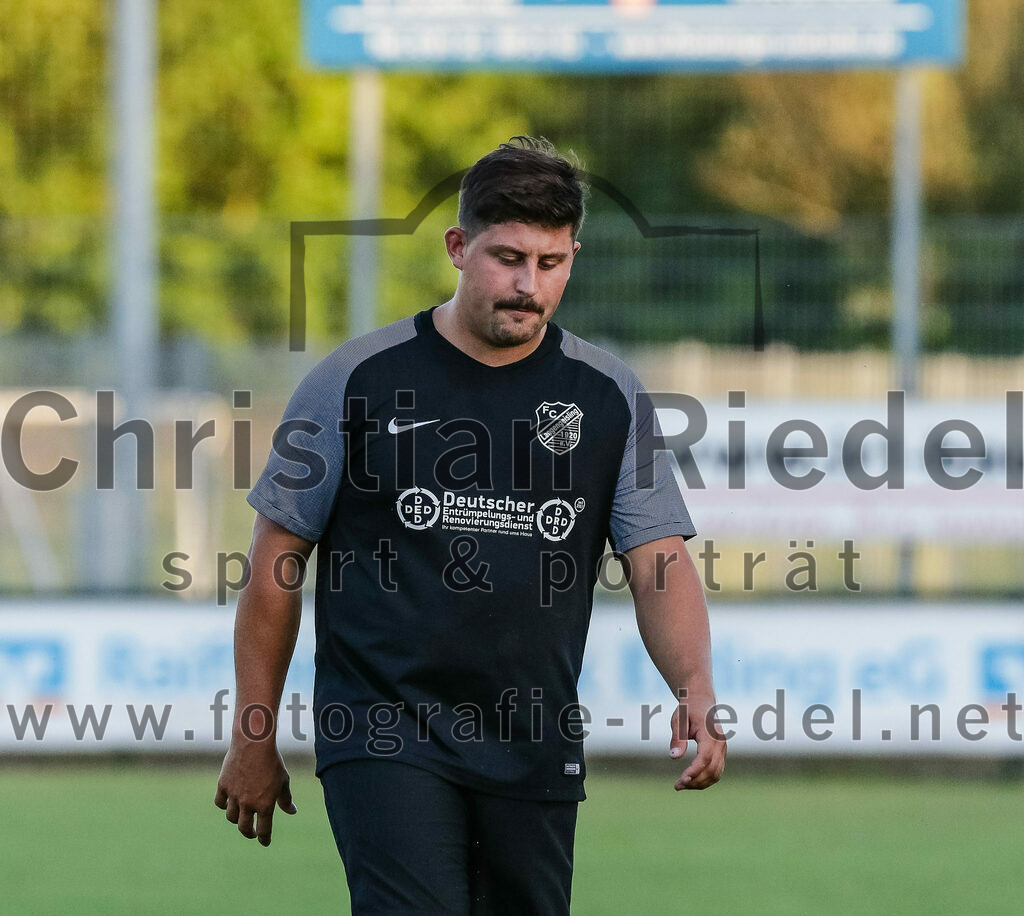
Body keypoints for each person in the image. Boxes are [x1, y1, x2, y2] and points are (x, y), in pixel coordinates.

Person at [215, 136, 725, 914]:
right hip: (382, 730)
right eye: (507, 258)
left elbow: (658, 560)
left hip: (533, 740)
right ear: (458, 247)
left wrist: (693, 685)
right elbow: (275, 560)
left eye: (551, 264)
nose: (529, 286)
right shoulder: (356, 379)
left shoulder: (607, 394)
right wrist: (254, 732)